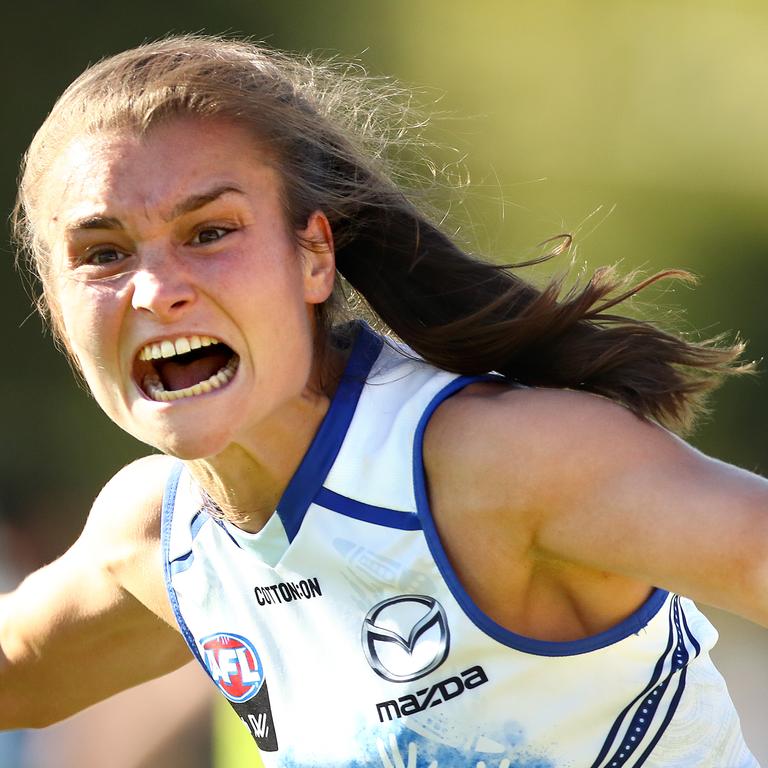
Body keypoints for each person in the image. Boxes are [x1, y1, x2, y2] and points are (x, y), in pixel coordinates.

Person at [2, 34, 766, 767]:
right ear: (59, 315)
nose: (158, 292)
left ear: (314, 258)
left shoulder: (492, 462)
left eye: (208, 232)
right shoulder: (161, 541)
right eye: (102, 254)